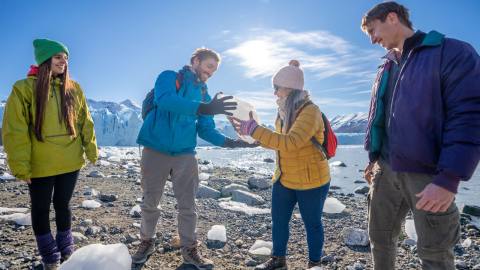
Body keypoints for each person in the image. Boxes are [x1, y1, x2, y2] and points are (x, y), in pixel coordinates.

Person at [361, 2, 480, 269]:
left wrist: (449, 178)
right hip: (385, 170)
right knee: (379, 240)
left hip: (427, 174)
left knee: (435, 253)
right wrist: (374, 157)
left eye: (372, 30)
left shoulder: (450, 52)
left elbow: (470, 116)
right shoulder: (385, 68)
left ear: (392, 18)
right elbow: (381, 119)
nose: (372, 39)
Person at [132, 48, 256, 269]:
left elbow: (206, 130)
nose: (211, 73)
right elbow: (166, 100)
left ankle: (189, 250)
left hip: (185, 153)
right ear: (195, 61)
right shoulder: (169, 77)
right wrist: (204, 108)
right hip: (155, 149)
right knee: (150, 201)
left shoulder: (204, 95)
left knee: (188, 205)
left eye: (214, 70)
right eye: (209, 66)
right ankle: (146, 242)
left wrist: (232, 142)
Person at [2, 38, 98, 270]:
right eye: (58, 57)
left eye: (65, 58)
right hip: (40, 164)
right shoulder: (24, 88)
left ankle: (66, 251)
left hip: (70, 161)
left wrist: (91, 149)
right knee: (41, 208)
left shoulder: (74, 88)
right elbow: (15, 130)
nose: (63, 62)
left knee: (63, 205)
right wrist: (21, 166)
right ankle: (50, 257)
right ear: (45, 60)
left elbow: (85, 121)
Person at [231, 60, 331, 270]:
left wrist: (256, 130)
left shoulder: (310, 111)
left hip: (311, 180)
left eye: (277, 88)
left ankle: (314, 264)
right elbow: (279, 143)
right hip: (284, 177)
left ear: (291, 88)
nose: (275, 93)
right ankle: (279, 260)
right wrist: (254, 138)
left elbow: (291, 142)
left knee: (312, 224)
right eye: (274, 88)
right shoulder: (283, 111)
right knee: (279, 221)